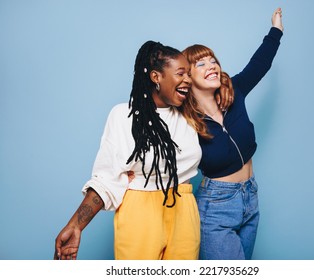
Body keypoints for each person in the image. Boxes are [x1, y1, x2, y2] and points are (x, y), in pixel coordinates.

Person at [54, 41, 206, 260]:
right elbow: (107, 179)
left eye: (189, 74)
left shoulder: (188, 115)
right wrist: (75, 226)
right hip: (140, 208)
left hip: (184, 206)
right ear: (156, 77)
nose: (188, 80)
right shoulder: (124, 116)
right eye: (181, 73)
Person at [180, 7, 284, 260]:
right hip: (216, 207)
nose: (211, 66)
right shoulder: (184, 121)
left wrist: (276, 31)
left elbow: (260, 64)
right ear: (188, 77)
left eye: (213, 60)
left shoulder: (233, 93)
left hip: (250, 198)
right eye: (201, 63)